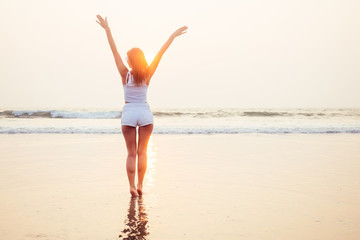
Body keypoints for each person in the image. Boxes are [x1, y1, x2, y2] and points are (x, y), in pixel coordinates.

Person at [96, 15, 187, 196]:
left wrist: (107, 30)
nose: (125, 60)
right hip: (145, 114)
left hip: (129, 113)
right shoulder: (147, 74)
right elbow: (161, 53)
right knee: (142, 153)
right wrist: (172, 36)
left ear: (130, 61)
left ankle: (131, 187)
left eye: (127, 58)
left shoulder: (124, 73)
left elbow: (113, 51)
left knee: (131, 153)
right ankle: (140, 185)